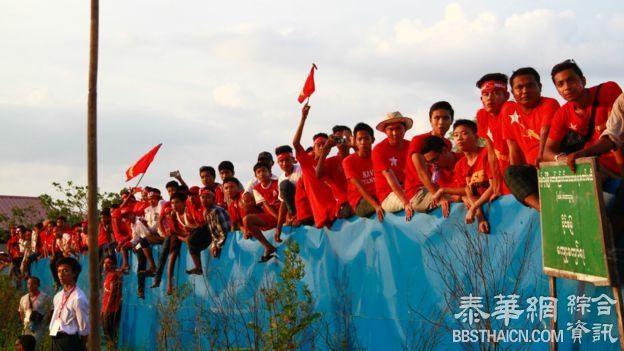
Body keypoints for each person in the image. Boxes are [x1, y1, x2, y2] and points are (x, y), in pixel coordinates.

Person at [543, 59, 624, 177]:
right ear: (557, 90)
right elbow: (547, 152)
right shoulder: (562, 113)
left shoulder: (608, 90)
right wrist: (563, 158)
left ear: (583, 80)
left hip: (614, 164)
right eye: (560, 84)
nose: (567, 87)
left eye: (571, 80)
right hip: (594, 165)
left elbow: (616, 136)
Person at [502, 67, 560, 211]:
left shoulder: (549, 103)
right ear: (512, 92)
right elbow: (513, 149)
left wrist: (541, 157)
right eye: (519, 87)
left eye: (530, 85)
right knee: (510, 172)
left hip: (554, 165)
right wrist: (519, 176)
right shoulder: (508, 111)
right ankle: (545, 210)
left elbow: (545, 133)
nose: (525, 91)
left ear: (540, 87)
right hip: (534, 173)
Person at [434, 120, 494, 234]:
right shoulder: (460, 165)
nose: (459, 138)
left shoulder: (487, 154)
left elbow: (493, 186)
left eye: (464, 133)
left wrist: (473, 208)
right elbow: (468, 192)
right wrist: (481, 218)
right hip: (481, 208)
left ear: (476, 136)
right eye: (456, 135)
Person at [405, 101, 455, 216]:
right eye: (437, 118)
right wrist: (439, 197)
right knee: (454, 199)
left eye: (446, 118)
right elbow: (422, 173)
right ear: (430, 120)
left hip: (440, 187)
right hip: (419, 192)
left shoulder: (447, 144)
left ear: (451, 121)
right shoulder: (418, 141)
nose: (441, 122)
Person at [475, 73, 513, 197]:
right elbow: (491, 154)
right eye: (485, 94)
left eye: (496, 93)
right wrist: (496, 187)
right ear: (481, 99)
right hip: (503, 174)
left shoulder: (510, 109)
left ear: (506, 96)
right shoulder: (482, 115)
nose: (489, 98)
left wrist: (516, 182)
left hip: (519, 171)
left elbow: (515, 150)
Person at [372, 111, 414, 220]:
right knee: (416, 201)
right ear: (385, 131)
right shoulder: (379, 149)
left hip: (410, 188)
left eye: (398, 128)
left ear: (405, 129)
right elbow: (390, 177)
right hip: (388, 194)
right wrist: (405, 203)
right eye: (391, 129)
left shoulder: (411, 146)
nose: (394, 133)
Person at [225, 177, 277, 263]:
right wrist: (245, 230)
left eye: (231, 187)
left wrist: (247, 228)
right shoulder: (230, 207)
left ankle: (268, 247)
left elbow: (261, 207)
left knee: (247, 219)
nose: (229, 190)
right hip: (255, 229)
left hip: (266, 222)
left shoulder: (245, 196)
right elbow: (237, 223)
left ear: (238, 187)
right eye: (226, 188)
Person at [342, 122, 384, 221]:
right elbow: (360, 188)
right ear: (355, 141)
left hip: (380, 194)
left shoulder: (378, 155)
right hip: (360, 202)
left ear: (372, 140)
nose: (363, 142)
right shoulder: (348, 161)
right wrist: (376, 206)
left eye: (366, 138)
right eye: (359, 139)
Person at [49, 256, 89, 351]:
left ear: (74, 273)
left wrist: (81, 346)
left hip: (69, 342)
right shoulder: (58, 296)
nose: (61, 275)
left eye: (65, 271)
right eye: (59, 271)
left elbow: (84, 328)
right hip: (55, 339)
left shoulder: (78, 298)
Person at [316, 125, 354, 218]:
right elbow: (318, 175)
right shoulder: (330, 162)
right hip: (344, 205)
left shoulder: (356, 158)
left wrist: (354, 145)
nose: (341, 141)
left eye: (344, 137)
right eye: (338, 138)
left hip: (359, 199)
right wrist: (326, 148)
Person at [18, 276, 49, 347]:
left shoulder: (45, 297)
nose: (30, 286)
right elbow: (21, 311)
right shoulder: (23, 298)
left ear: (38, 285)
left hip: (38, 327)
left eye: (32, 284)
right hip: (26, 327)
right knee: (25, 347)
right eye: (28, 283)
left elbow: (50, 310)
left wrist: (45, 323)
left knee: (35, 346)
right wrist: (24, 322)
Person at [200, 188, 231, 258]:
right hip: (219, 242)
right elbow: (213, 235)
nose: (204, 200)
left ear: (214, 200)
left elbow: (226, 233)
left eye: (207, 197)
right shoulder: (205, 213)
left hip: (227, 242)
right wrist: (214, 245)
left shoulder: (217, 211)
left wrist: (217, 246)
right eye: (202, 197)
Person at [101, 255, 122, 348]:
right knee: (106, 333)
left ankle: (112, 348)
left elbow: (112, 293)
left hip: (111, 310)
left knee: (110, 334)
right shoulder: (108, 275)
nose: (106, 265)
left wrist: (107, 309)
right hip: (105, 308)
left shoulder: (113, 276)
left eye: (109, 263)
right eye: (105, 263)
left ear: (114, 264)